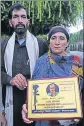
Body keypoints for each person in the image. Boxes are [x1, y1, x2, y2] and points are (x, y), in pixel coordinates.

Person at [22, 25, 83, 126]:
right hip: (46, 120)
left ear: (67, 43)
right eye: (53, 38)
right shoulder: (41, 62)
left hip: (71, 121)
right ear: (49, 41)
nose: (57, 42)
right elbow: (34, 92)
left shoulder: (77, 62)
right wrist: (27, 106)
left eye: (62, 38)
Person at [1, 2, 48, 126]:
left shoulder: (40, 44)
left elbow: (48, 72)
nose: (20, 20)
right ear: (10, 22)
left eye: (23, 16)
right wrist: (11, 80)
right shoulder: (3, 45)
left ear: (28, 21)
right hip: (10, 102)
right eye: (15, 17)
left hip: (36, 101)